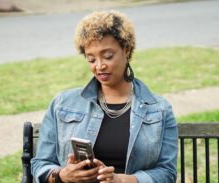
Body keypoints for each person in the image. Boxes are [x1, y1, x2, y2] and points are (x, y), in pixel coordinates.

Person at [31, 10, 178, 183]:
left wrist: (122, 180)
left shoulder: (159, 109)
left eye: (108, 56)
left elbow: (167, 173)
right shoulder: (62, 104)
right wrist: (62, 176)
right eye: (91, 59)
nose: (99, 66)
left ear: (126, 50)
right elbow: (40, 164)